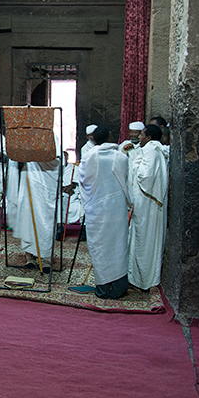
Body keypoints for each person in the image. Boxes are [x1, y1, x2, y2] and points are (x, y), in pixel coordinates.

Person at [74, 126, 131, 299]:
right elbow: (127, 181)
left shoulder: (89, 156)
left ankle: (103, 288)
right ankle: (119, 287)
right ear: (109, 136)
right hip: (115, 208)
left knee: (99, 246)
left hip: (96, 208)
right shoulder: (121, 157)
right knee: (117, 245)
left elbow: (83, 180)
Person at [128, 124, 169, 291]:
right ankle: (138, 278)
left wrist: (133, 165)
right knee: (144, 239)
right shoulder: (155, 149)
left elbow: (145, 176)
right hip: (148, 204)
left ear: (149, 137)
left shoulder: (151, 150)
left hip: (147, 204)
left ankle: (142, 280)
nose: (139, 137)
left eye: (142, 134)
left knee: (143, 240)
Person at [14, 152, 62, 272]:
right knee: (28, 218)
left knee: (45, 221)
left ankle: (45, 258)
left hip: (47, 185)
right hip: (29, 180)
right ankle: (30, 257)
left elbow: (59, 159)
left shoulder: (55, 142)